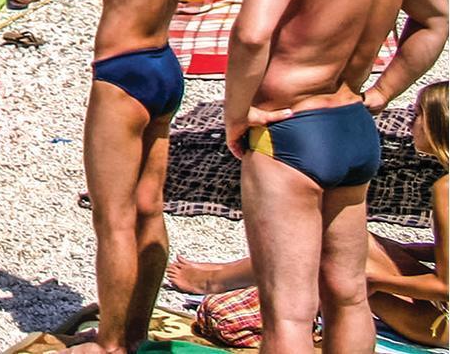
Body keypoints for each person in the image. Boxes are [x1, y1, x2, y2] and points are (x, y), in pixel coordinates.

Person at [223, 0, 448, 354]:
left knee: (289, 314)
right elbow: (437, 18)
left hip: (291, 128)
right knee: (348, 296)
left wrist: (238, 115)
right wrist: (383, 91)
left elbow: (252, 34)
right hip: (353, 126)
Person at [11, 0, 197, 354]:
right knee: (149, 209)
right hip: (165, 67)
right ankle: (134, 332)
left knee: (112, 219)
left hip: (122, 73)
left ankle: (111, 345)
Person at [167, 80, 447, 348]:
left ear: (438, 126)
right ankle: (223, 273)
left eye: (417, 115)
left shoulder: (445, 191)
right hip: (441, 313)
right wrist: (405, 250)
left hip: (439, 324)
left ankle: (217, 280)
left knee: (335, 258)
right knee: (351, 242)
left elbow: (444, 286)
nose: (409, 122)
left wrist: (372, 281)